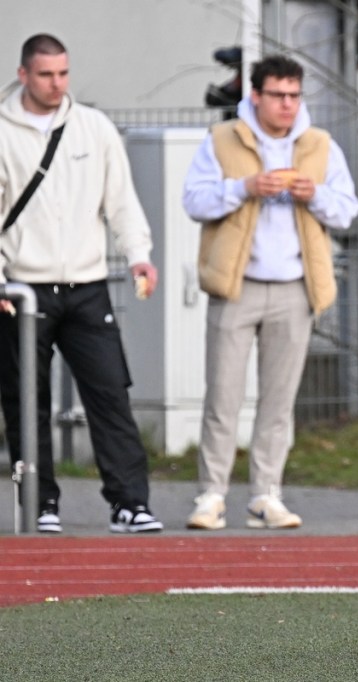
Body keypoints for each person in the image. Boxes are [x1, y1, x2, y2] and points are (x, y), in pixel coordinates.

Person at [182, 55, 358, 530]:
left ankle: (266, 494)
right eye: (278, 95)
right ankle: (211, 494)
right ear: (255, 96)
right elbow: (194, 201)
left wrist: (313, 194)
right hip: (234, 286)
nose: (287, 104)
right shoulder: (222, 138)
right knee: (223, 396)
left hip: (295, 289)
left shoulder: (319, 144)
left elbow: (347, 210)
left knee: (279, 401)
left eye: (294, 95)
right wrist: (244, 187)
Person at [0, 34, 163, 534]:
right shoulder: (3, 131)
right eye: (46, 74)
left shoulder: (94, 127)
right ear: (24, 74)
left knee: (110, 393)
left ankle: (129, 503)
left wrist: (139, 256)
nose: (57, 84)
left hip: (88, 286)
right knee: (27, 401)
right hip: (23, 289)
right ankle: (39, 502)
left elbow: (121, 201)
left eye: (63, 73)